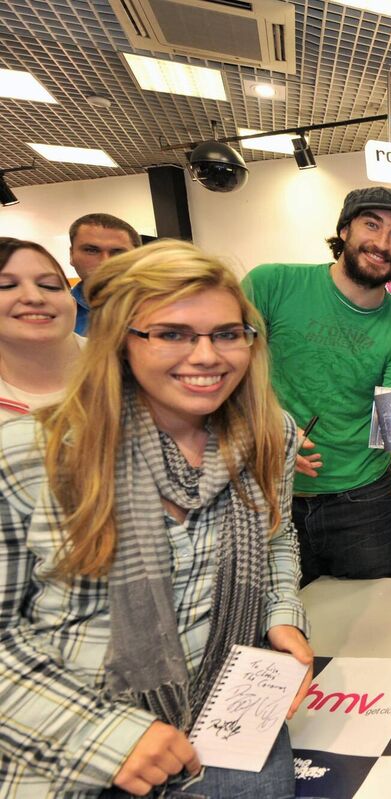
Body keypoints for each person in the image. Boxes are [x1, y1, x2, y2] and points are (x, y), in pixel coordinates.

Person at [0, 240, 312, 797]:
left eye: (226, 333)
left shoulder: (270, 432)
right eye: (172, 334)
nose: (207, 356)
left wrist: (282, 613)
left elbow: (277, 534)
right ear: (121, 341)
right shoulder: (32, 454)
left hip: (230, 717)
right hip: (76, 746)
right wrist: (102, 735)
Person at [243, 187, 391, 587]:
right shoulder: (271, 284)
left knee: (373, 629)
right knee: (272, 623)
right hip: (267, 492)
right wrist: (263, 432)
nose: (382, 243)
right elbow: (221, 373)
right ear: (345, 230)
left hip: (363, 504)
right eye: (372, 225)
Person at [0, 238, 84, 420]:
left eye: (50, 286)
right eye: (6, 286)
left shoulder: (126, 367)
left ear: (74, 304)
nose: (34, 297)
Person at [67, 213, 141, 334]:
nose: (105, 262)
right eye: (91, 250)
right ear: (71, 255)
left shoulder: (166, 307)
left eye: (118, 252)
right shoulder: (56, 313)